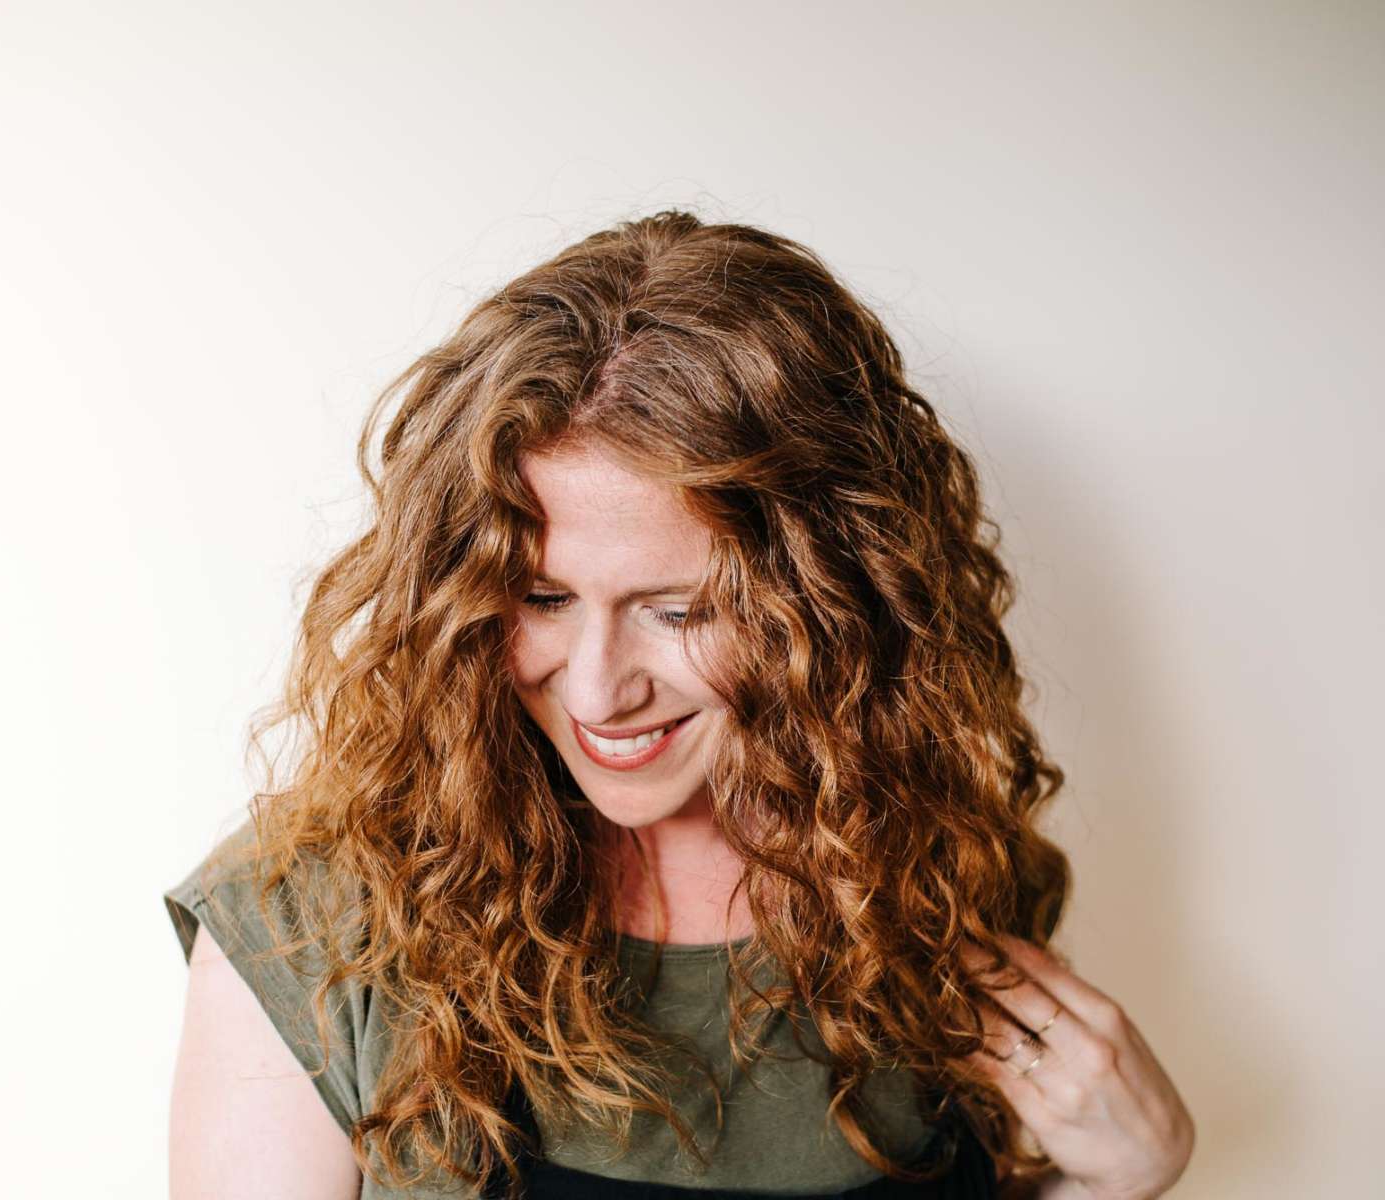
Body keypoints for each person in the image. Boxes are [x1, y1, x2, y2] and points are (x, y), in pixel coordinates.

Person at [162, 211, 1194, 1200]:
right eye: (543, 599)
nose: (597, 688)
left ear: (832, 604)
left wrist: (1114, 1181)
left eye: (679, 610)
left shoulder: (934, 880)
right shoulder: (316, 924)